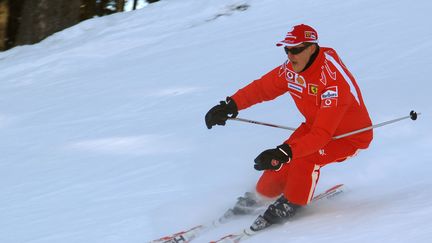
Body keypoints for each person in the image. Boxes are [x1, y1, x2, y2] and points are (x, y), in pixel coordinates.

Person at [205, 24, 373, 231]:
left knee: (303, 157)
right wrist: (231, 105)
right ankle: (260, 196)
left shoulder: (333, 82)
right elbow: (263, 88)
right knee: (278, 163)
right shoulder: (292, 69)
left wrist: (287, 152)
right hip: (315, 126)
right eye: (286, 49)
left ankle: (293, 202)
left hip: (348, 137)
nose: (290, 55)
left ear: (312, 48)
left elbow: (321, 136)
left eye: (296, 49)